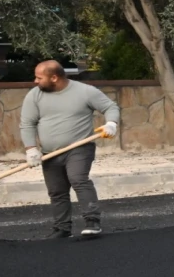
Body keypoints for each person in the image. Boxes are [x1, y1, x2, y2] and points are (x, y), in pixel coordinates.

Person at [20, 61, 120, 239]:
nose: (35, 81)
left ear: (54, 77)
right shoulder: (34, 96)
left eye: (39, 77)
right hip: (50, 153)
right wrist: (31, 149)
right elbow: (27, 123)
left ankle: (92, 222)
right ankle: (62, 228)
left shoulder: (85, 91)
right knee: (57, 190)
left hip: (79, 148)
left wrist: (111, 123)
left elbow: (110, 107)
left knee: (78, 179)